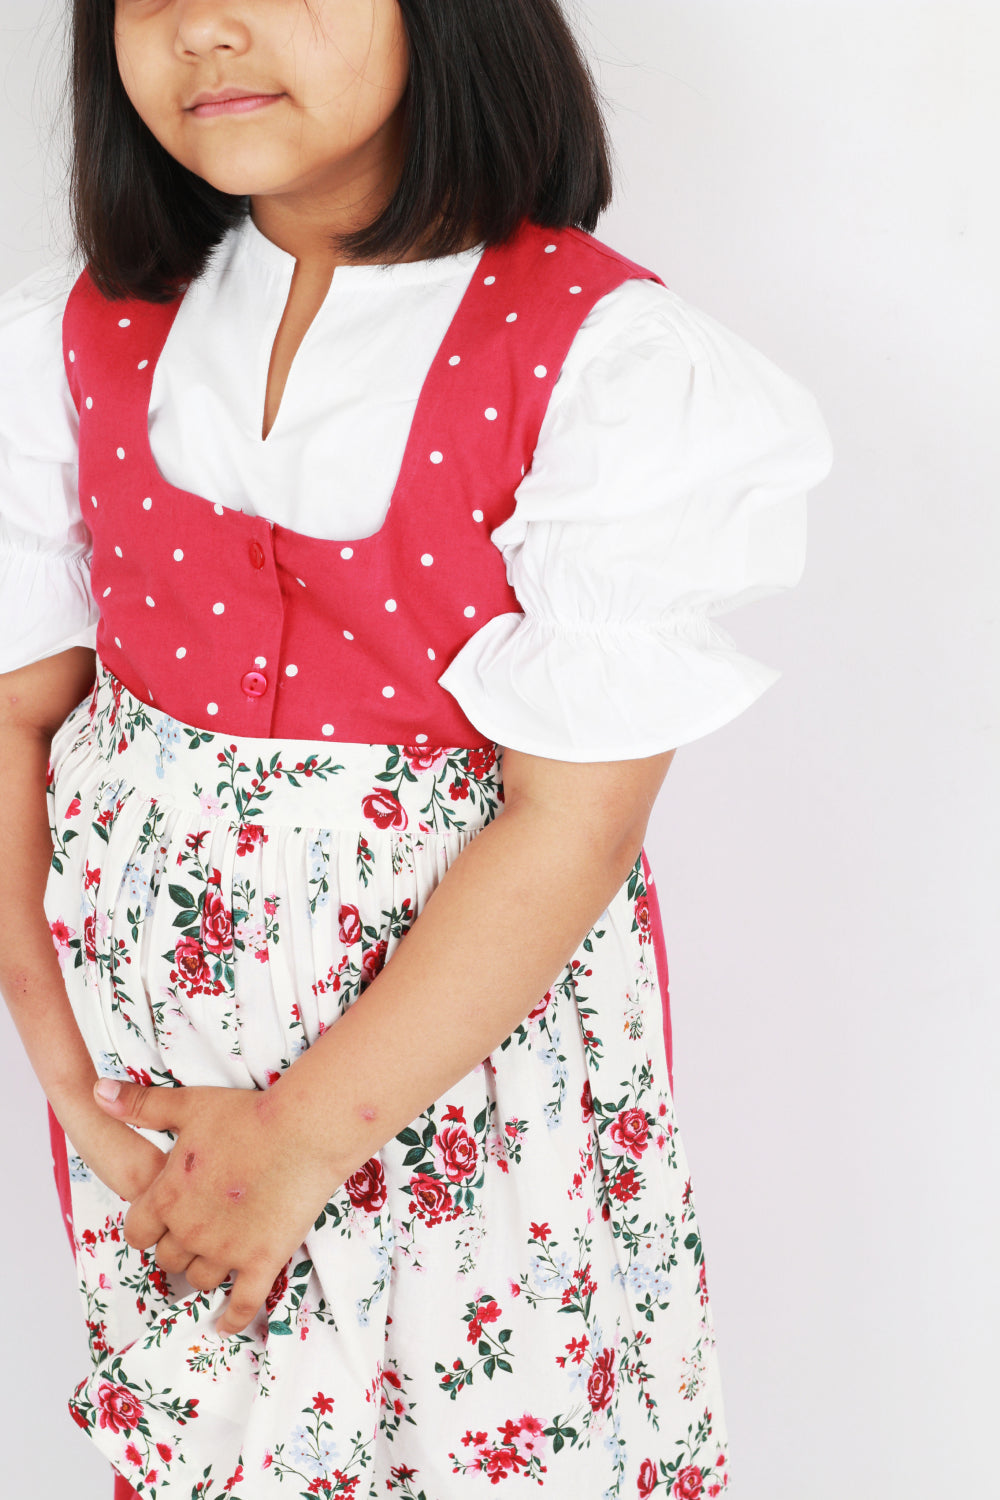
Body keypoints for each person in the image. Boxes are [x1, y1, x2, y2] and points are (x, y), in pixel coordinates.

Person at [0, 2, 833, 1496]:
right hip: (159, 1093)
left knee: (485, 1436)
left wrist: (303, 1138)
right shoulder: (81, 330)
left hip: (454, 1086)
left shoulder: (595, 358)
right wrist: (68, 1082)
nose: (207, 28)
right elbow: (19, 712)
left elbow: (571, 821)